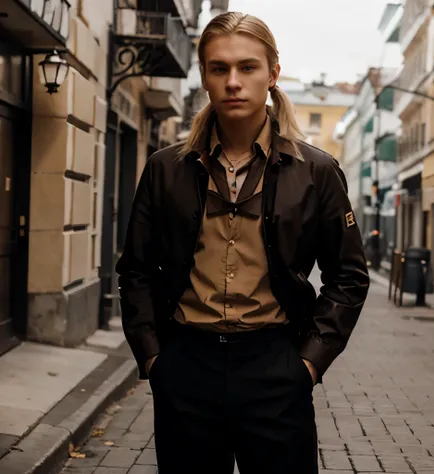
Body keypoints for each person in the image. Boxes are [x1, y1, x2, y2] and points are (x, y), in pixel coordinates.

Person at [116, 11, 369, 474]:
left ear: (272, 74)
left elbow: (348, 277)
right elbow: (135, 269)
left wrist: (308, 364)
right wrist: (154, 358)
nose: (234, 82)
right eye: (220, 69)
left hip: (275, 366)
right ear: (205, 78)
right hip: (186, 367)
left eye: (248, 67)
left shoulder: (316, 171)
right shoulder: (165, 168)